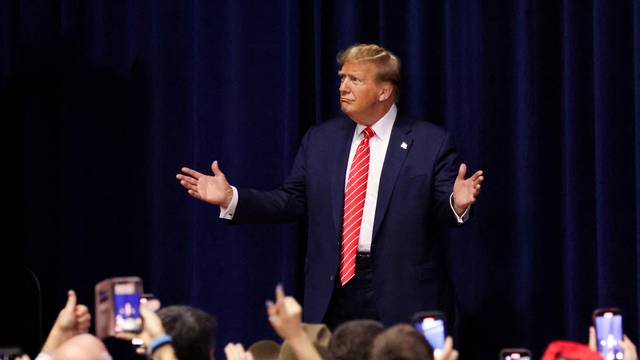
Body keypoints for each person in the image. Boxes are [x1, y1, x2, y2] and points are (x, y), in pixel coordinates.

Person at [177, 43, 484, 328]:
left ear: (384, 91)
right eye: (341, 78)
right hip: (333, 292)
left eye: (354, 80)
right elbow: (292, 200)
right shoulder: (320, 139)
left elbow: (443, 207)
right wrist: (232, 198)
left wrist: (456, 204)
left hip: (401, 295)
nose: (342, 88)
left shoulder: (430, 141)